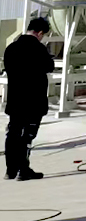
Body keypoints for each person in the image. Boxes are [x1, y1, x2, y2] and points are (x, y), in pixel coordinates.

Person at [3, 17, 53, 181]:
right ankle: (23, 170)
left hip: (15, 99)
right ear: (40, 33)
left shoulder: (11, 48)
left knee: (13, 133)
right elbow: (49, 66)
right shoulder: (38, 48)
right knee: (27, 136)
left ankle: (10, 170)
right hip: (33, 101)